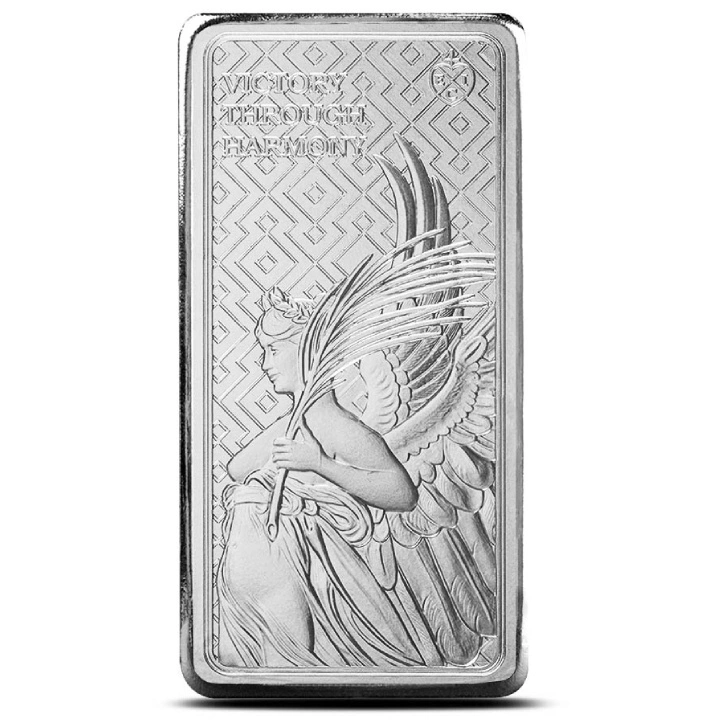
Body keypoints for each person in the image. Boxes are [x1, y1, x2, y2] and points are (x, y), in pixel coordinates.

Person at [217, 288, 443, 668]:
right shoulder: (292, 425)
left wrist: (320, 464)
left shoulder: (339, 428)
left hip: (296, 592)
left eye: (273, 350)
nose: (263, 363)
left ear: (310, 353)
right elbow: (237, 468)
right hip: (245, 600)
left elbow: (402, 494)